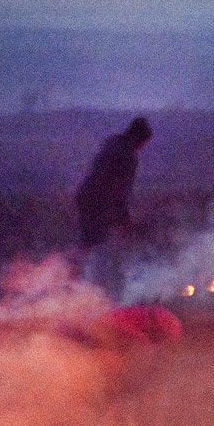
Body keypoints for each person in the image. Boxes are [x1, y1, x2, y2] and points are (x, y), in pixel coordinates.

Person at [76, 116, 152, 296]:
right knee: (101, 250)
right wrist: (124, 219)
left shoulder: (112, 145)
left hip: (87, 199)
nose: (142, 148)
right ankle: (99, 293)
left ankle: (76, 284)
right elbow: (118, 191)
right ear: (139, 139)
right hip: (98, 205)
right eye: (143, 144)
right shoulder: (127, 156)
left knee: (89, 246)